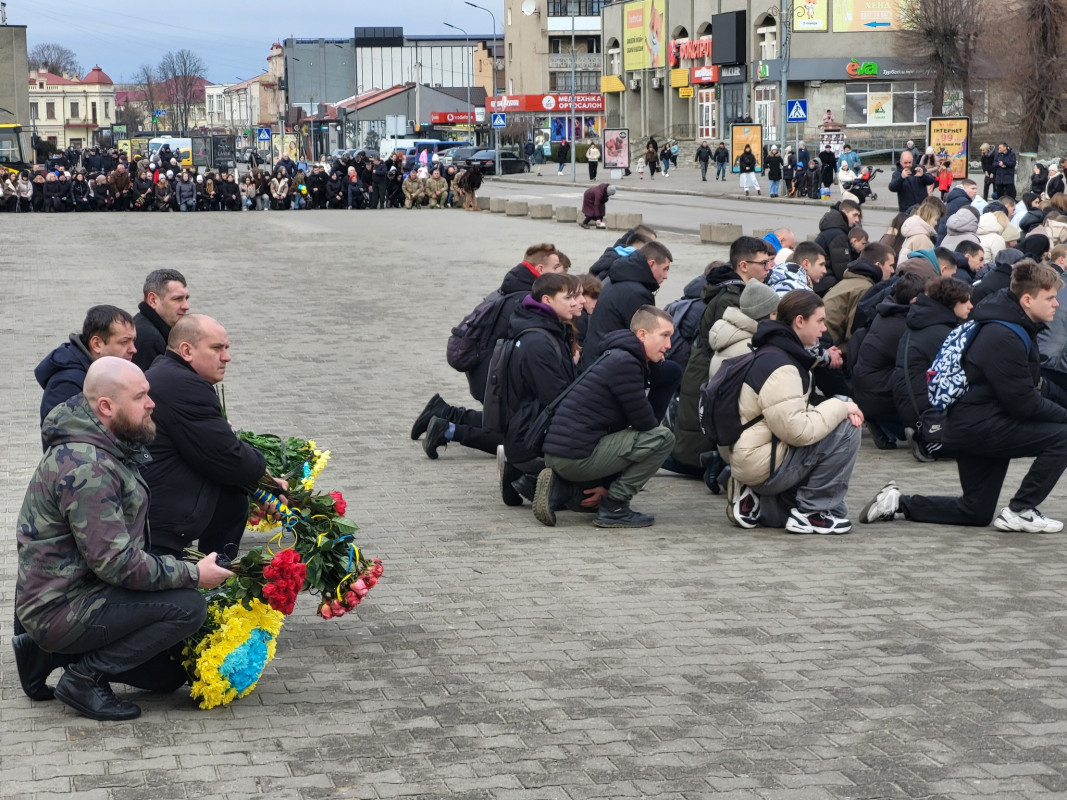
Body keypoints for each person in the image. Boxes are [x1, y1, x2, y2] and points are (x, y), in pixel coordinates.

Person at [12, 357, 233, 719]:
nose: (151, 404)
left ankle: (47, 654)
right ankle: (83, 678)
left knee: (166, 677)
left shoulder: (104, 443)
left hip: (76, 595)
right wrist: (193, 574)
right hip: (62, 607)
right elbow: (116, 563)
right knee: (188, 607)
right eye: (141, 397)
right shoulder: (89, 466)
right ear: (106, 406)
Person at [862, 261, 1067, 532]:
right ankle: (1021, 510)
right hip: (981, 426)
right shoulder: (1003, 335)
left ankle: (897, 503)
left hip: (972, 424)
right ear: (1027, 300)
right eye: (1050, 298)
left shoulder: (1006, 323)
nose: (1056, 304)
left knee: (975, 511)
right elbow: (1023, 403)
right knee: (1063, 436)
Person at [142, 315, 285, 559]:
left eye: (226, 348)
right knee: (230, 496)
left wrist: (261, 486)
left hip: (152, 491)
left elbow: (211, 451)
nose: (226, 357)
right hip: (159, 516)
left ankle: (214, 570)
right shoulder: (185, 387)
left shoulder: (167, 371)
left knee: (231, 500)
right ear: (186, 350)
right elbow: (226, 455)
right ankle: (210, 579)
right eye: (217, 348)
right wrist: (266, 475)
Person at [724, 290, 864, 534]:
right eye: (819, 321)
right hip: (762, 464)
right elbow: (797, 432)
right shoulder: (783, 366)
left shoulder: (777, 352)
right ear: (799, 321)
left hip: (754, 455)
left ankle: (755, 498)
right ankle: (812, 513)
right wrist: (842, 407)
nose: (823, 329)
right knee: (848, 427)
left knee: (836, 510)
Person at [534, 306, 676, 528]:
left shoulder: (617, 355)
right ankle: (615, 507)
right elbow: (646, 424)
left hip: (559, 453)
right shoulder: (627, 363)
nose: (668, 345)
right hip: (575, 456)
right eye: (664, 336)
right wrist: (612, 489)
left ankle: (561, 490)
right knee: (662, 438)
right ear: (642, 335)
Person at [670, 237, 776, 476]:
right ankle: (704, 464)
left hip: (704, 368)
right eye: (763, 263)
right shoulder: (732, 297)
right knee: (704, 427)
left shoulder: (733, 291)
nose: (768, 269)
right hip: (707, 371)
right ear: (744, 266)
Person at [36, 305, 137, 426]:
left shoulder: (111, 371)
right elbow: (63, 435)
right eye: (124, 342)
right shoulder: (66, 383)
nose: (133, 349)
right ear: (96, 344)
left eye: (133, 341)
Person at [822, 242, 897, 351]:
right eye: (890, 265)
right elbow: (853, 334)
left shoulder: (852, 280)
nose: (893, 271)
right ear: (878, 265)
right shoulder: (865, 288)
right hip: (829, 348)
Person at [131, 269, 190, 372]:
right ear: (153, 300)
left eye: (186, 298)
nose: (186, 306)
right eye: (177, 299)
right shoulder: (149, 339)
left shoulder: (141, 324)